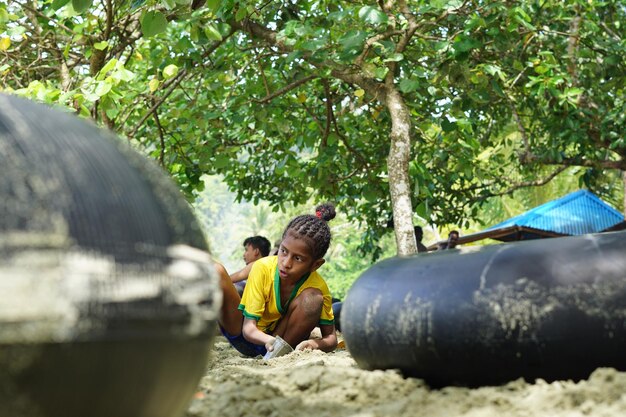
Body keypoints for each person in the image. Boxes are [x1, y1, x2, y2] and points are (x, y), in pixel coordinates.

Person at [216, 203, 338, 357]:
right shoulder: (262, 268)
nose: (286, 263)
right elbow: (248, 330)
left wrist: (314, 344)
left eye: (298, 258)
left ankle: (276, 356)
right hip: (245, 336)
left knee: (313, 299)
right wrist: (269, 340)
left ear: (316, 265)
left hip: (278, 348)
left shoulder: (318, 286)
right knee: (216, 270)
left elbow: (331, 339)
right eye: (283, 251)